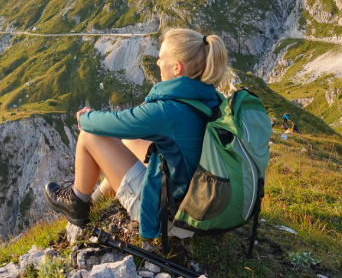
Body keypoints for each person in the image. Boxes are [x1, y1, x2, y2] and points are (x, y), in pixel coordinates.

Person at [43, 28, 229, 241]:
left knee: (89, 135)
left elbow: (117, 122)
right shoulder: (210, 98)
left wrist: (85, 117)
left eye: (161, 59)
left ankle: (77, 203)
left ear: (177, 68)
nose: (158, 63)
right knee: (132, 140)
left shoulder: (169, 110)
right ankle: (95, 199)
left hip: (170, 219)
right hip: (198, 204)